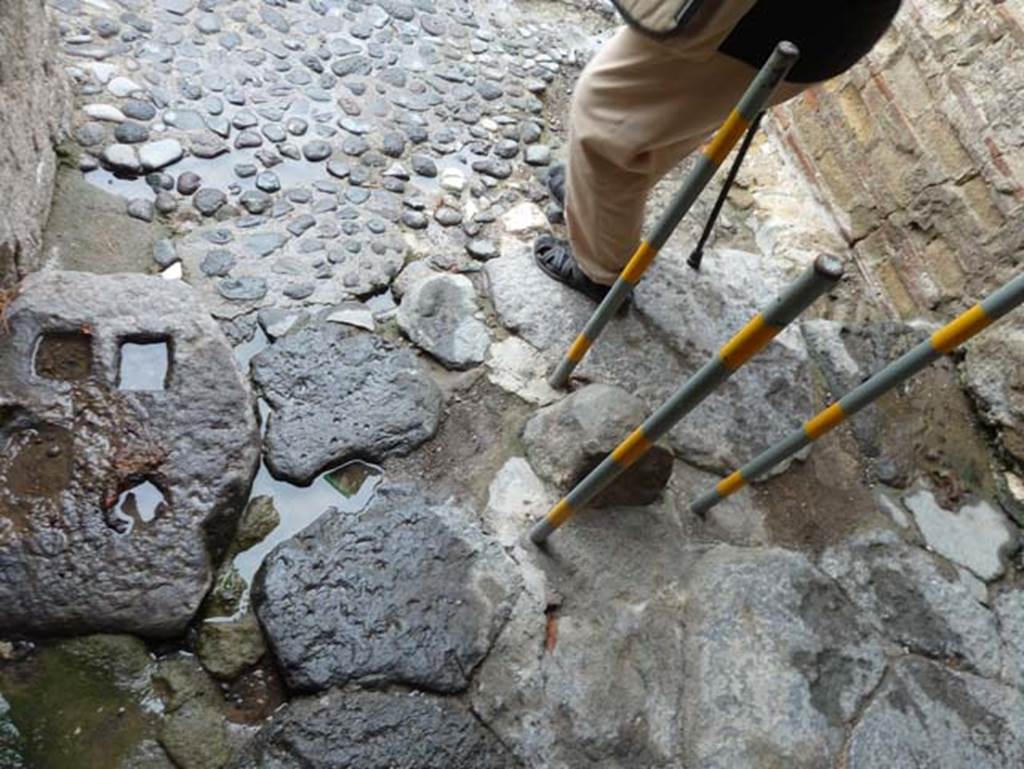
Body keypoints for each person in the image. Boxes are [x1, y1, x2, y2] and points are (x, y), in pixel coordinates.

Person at [535, 0, 903, 301]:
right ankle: (596, 203)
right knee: (664, 113)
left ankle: (600, 272)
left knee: (606, 121)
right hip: (798, 24)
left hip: (763, 24)